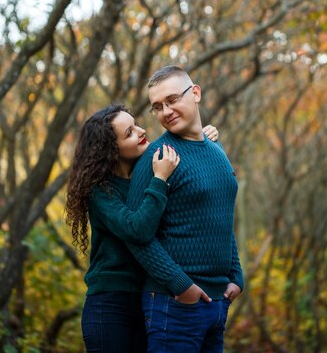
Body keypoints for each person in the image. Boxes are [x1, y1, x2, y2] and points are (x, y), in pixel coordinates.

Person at [65, 103, 219, 353]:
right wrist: (159, 180)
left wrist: (203, 137)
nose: (141, 131)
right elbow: (138, 230)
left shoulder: (147, 168)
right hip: (110, 305)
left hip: (150, 300)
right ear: (110, 150)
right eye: (129, 133)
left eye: (135, 124)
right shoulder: (101, 191)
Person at [126, 65, 244, 353]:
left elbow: (219, 217)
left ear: (195, 93)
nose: (165, 112)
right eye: (157, 107)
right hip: (174, 304)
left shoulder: (217, 150)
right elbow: (135, 235)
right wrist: (180, 285)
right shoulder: (157, 158)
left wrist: (236, 274)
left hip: (217, 303)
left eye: (172, 100)